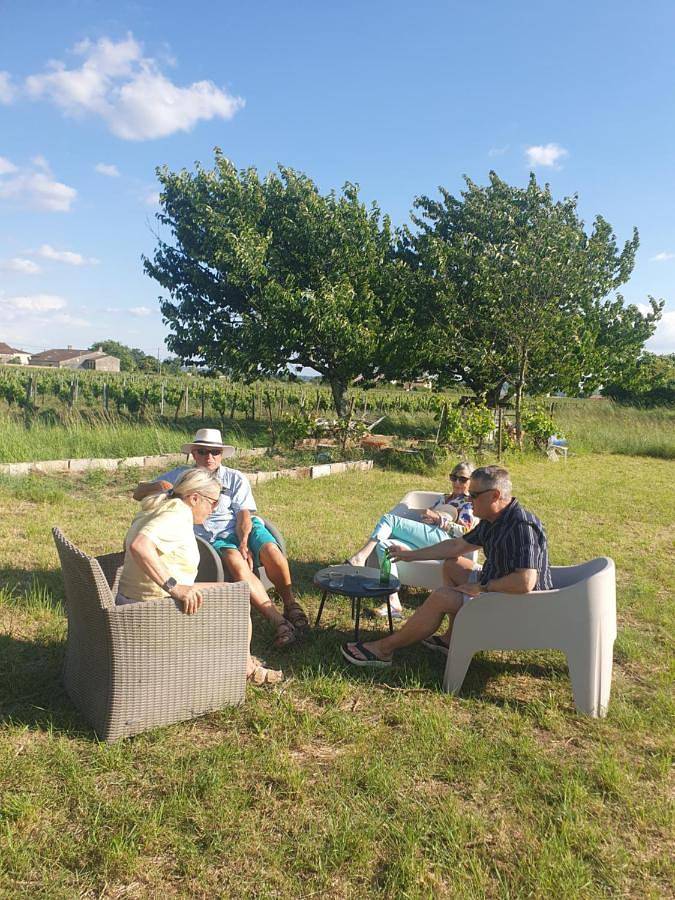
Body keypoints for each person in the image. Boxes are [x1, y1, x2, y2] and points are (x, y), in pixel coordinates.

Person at [341, 465, 552, 668]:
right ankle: (450, 639)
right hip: (498, 586)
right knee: (453, 565)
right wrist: (410, 555)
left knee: (441, 597)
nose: (468, 499)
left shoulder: (521, 526)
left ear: (495, 496)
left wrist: (482, 588)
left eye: (474, 495)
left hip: (518, 605)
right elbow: (455, 546)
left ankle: (383, 650)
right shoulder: (493, 520)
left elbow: (525, 582)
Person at [133, 428, 308, 649]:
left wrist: (244, 542)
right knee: (236, 561)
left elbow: (244, 514)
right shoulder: (181, 477)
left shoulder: (235, 477)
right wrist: (159, 486)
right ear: (193, 454)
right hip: (213, 535)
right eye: (203, 451)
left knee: (271, 550)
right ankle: (279, 622)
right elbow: (138, 493)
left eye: (215, 452)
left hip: (241, 526)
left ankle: (290, 604)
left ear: (222, 454)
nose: (209, 457)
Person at [119, 467, 282, 685]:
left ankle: (239, 659)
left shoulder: (161, 505)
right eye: (213, 502)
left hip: (131, 598)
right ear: (194, 498)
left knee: (234, 589)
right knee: (238, 597)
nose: (214, 509)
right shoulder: (177, 514)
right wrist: (175, 587)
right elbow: (139, 546)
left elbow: (130, 544)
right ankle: (245, 667)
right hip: (154, 607)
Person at [347, 461, 476, 618]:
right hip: (427, 536)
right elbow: (428, 517)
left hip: (445, 541)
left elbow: (465, 532)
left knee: (390, 520)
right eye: (453, 477)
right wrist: (426, 517)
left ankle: (361, 557)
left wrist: (439, 520)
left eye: (462, 479)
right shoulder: (443, 498)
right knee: (385, 546)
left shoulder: (468, 503)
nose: (457, 482)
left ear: (471, 481)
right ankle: (393, 601)